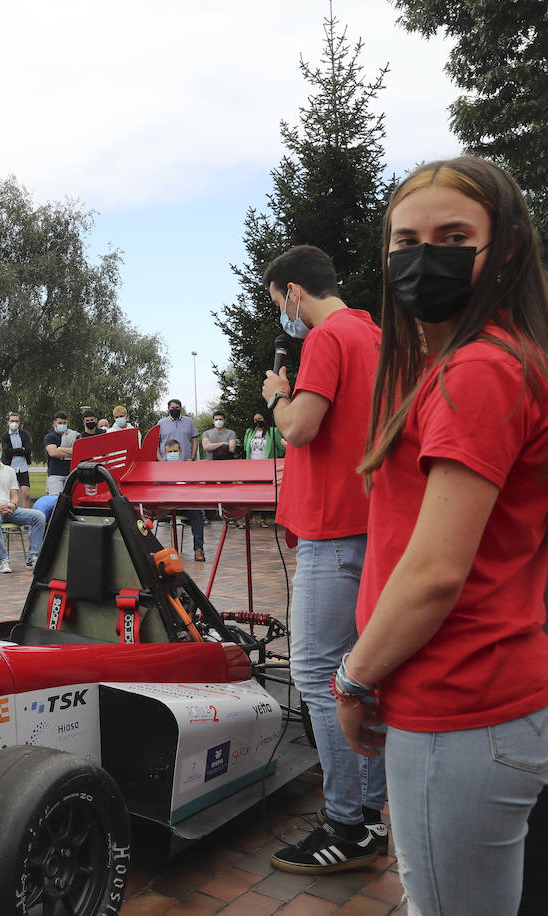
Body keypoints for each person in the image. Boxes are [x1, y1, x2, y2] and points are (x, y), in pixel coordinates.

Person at [333, 157, 548, 914]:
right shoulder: (467, 363)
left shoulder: (478, 372)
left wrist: (353, 678)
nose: (424, 258)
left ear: (507, 246)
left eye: (454, 236)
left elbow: (433, 571)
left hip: (460, 706)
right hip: (486, 702)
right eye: (406, 241)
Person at [259, 244, 387, 875]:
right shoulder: (374, 334)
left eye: (277, 301)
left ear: (293, 293)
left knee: (314, 674)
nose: (281, 314)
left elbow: (302, 427)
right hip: (366, 525)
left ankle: (347, 823)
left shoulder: (328, 338)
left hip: (335, 533)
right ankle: (369, 811)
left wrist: (278, 396)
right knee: (363, 674)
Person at [0, 437, 47, 573]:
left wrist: (13, 504)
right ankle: (3, 559)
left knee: (39, 516)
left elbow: (15, 495)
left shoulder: (9, 471)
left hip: (11, 510)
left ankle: (33, 557)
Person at [155, 399, 206, 562]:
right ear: (168, 409)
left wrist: (191, 458)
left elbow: (195, 439)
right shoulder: (161, 423)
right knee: (147, 516)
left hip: (185, 503)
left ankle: (198, 549)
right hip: (167, 505)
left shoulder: (188, 422)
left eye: (177, 408)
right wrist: (162, 461)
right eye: (172, 408)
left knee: (197, 514)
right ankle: (150, 552)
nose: (174, 410)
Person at [0, 413, 33, 508]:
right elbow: (6, 452)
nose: (14, 423)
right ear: (8, 422)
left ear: (19, 422)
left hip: (23, 468)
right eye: (12, 421)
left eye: (16, 421)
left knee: (26, 494)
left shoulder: (24, 435)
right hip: (10, 468)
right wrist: (20, 450)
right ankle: (10, 515)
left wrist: (15, 451)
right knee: (10, 495)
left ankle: (26, 518)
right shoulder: (4, 437)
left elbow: (28, 450)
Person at [44, 411, 78, 497]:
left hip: (70, 473)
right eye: (60, 423)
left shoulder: (73, 435)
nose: (62, 425)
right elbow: (53, 453)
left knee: (71, 500)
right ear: (54, 423)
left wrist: (60, 449)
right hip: (55, 473)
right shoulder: (50, 437)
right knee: (55, 500)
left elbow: (79, 451)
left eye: (64, 423)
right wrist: (71, 451)